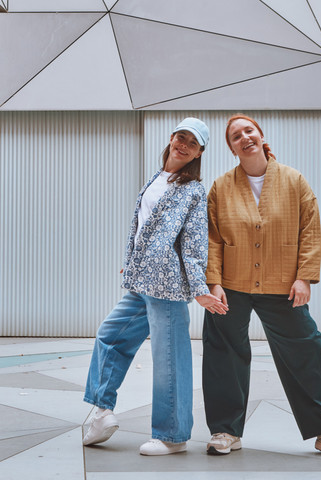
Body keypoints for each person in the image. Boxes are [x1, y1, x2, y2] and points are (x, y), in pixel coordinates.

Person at [82, 117, 227, 456]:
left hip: (169, 286)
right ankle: (102, 411)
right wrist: (133, 261)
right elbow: (142, 227)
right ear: (172, 138)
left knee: (169, 360)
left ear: (199, 153)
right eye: (181, 137)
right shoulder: (158, 178)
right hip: (142, 282)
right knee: (110, 336)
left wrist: (199, 288)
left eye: (192, 143)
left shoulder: (193, 191)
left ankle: (172, 436)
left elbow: (193, 243)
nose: (184, 145)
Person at [202, 113, 321, 459]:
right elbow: (212, 238)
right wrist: (213, 282)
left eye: (248, 131)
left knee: (306, 350)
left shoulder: (294, 180)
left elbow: (310, 229)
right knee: (223, 354)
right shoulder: (221, 187)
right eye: (236, 136)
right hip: (231, 286)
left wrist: (304, 277)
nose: (244, 138)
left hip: (283, 285)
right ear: (232, 148)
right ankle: (225, 430)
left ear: (261, 135)